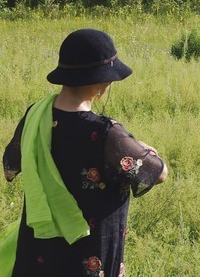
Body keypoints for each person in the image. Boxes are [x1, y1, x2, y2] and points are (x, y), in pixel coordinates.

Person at [1, 28, 168, 276]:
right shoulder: (106, 133)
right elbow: (159, 172)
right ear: (101, 82)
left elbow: (11, 164)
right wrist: (142, 148)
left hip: (39, 249)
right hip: (87, 255)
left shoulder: (35, 115)